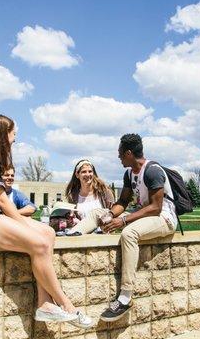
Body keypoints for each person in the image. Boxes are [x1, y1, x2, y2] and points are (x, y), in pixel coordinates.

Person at [0, 115, 92, 328]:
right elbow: (2, 201)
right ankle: (66, 304)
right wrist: (25, 227)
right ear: (3, 133)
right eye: (14, 134)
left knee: (48, 233)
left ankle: (45, 304)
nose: (14, 140)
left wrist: (29, 227)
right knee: (39, 243)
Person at [70, 133, 177, 321]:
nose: (118, 157)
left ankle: (125, 297)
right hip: (145, 215)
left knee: (129, 234)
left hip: (164, 218)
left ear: (128, 153)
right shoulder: (129, 173)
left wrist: (124, 221)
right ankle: (71, 235)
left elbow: (155, 207)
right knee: (98, 213)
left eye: (120, 153)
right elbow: (123, 201)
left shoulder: (152, 170)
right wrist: (111, 215)